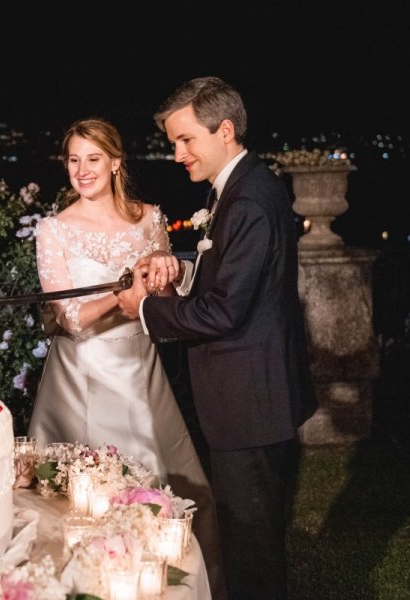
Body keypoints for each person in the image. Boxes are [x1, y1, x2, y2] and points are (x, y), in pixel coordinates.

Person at [117, 76, 318, 600]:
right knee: (246, 540)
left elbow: (226, 311)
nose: (178, 154)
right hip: (247, 398)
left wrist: (145, 308)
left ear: (224, 130)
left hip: (250, 402)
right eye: (174, 144)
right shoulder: (237, 188)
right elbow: (230, 280)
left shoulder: (250, 199)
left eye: (186, 140)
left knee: (252, 551)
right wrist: (181, 273)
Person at [26, 117, 225, 597]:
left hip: (142, 369)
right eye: (73, 160)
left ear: (115, 163)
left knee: (160, 479)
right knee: (76, 500)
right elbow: (69, 318)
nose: (82, 169)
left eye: (93, 159)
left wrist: (167, 272)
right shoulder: (54, 229)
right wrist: (122, 296)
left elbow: (164, 294)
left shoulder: (150, 217)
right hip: (81, 376)